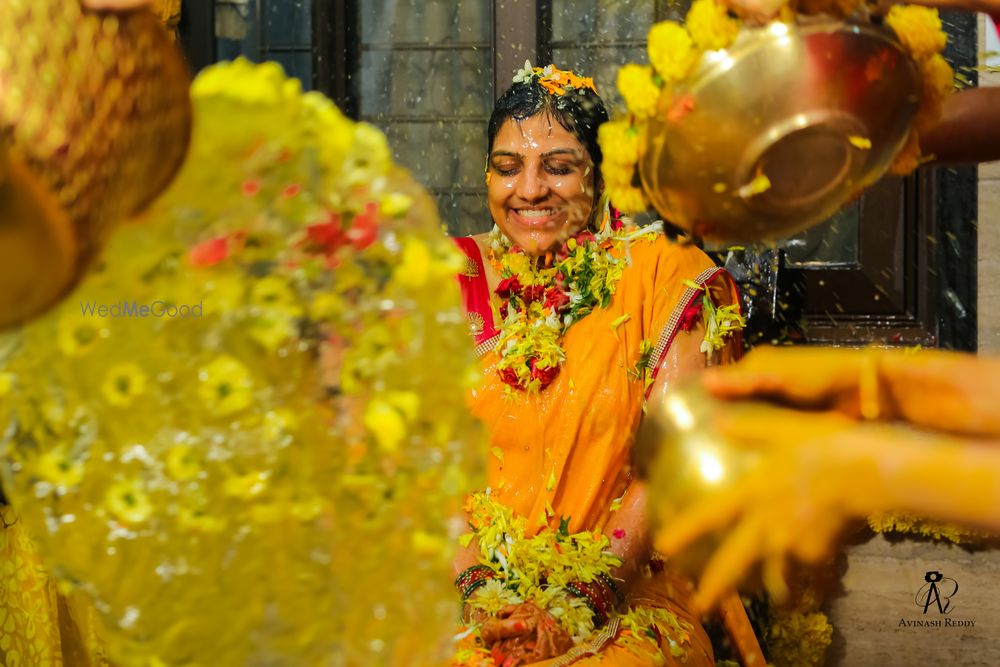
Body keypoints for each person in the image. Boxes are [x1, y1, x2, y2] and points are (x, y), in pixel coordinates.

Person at [449, 64, 763, 667]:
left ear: (601, 174)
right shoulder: (449, 282)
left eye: (558, 167)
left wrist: (578, 600)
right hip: (469, 594)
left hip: (628, 596)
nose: (530, 190)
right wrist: (481, 593)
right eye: (508, 168)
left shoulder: (661, 275)